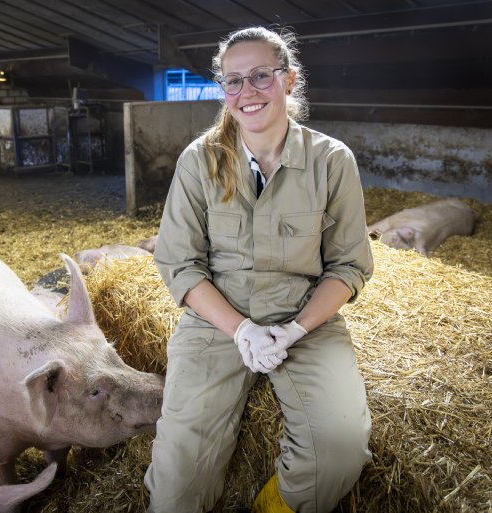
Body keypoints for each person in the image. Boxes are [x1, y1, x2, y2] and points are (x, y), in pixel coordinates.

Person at [145, 26, 374, 513]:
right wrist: (242, 329)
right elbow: (180, 264)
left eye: (261, 77)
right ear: (222, 90)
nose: (247, 92)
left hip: (304, 320)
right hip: (217, 323)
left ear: (289, 81)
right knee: (176, 488)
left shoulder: (332, 162)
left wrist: (294, 330)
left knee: (340, 448)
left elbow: (349, 266)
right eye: (233, 81)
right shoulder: (199, 161)